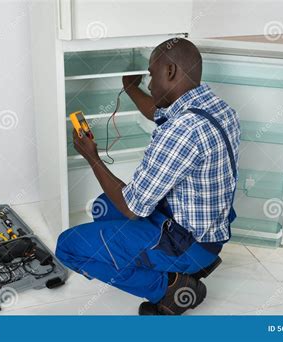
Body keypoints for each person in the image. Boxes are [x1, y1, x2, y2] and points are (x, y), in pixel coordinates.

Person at [56, 38, 241, 315]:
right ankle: (191, 265)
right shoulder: (215, 107)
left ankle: (171, 288)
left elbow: (132, 208)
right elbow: (157, 111)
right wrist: (130, 88)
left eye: (152, 76)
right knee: (103, 206)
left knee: (68, 247)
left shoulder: (182, 130)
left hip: (187, 242)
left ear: (170, 71)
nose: (150, 84)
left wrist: (91, 156)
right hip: (209, 231)